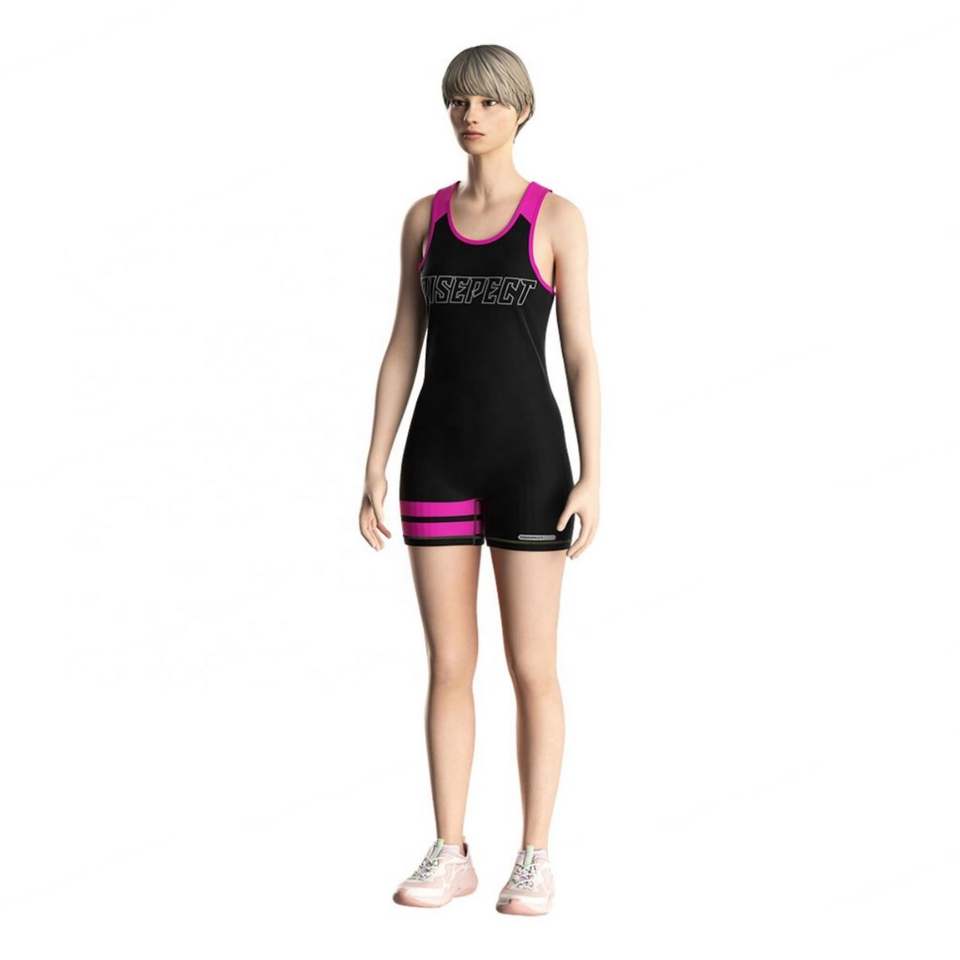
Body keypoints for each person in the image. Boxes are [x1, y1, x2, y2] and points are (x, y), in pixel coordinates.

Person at [359, 44, 601, 915]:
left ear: (521, 110)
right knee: (449, 664)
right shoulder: (423, 219)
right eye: (460, 101)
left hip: (531, 466)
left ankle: (534, 855)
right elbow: (403, 344)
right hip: (437, 460)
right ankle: (451, 848)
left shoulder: (556, 218)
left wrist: (593, 474)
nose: (473, 115)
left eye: (491, 102)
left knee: (532, 665)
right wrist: (375, 459)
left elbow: (580, 353)